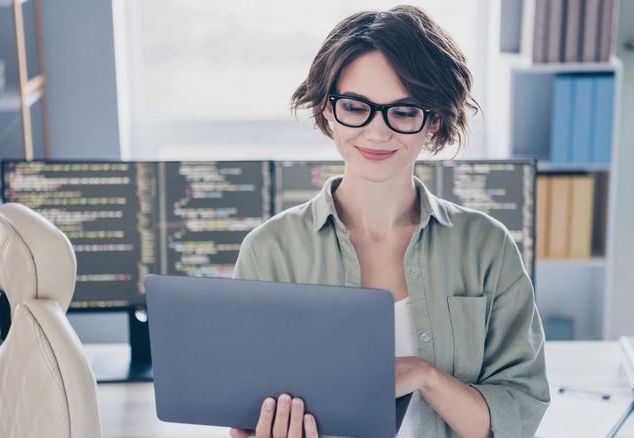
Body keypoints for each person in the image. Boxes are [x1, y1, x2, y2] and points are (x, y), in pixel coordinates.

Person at [231, 5, 550, 438]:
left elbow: (519, 415)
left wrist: (423, 375)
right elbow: (243, 417)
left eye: (403, 111)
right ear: (328, 110)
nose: (378, 133)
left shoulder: (486, 247)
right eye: (356, 106)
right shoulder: (269, 250)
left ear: (433, 119)